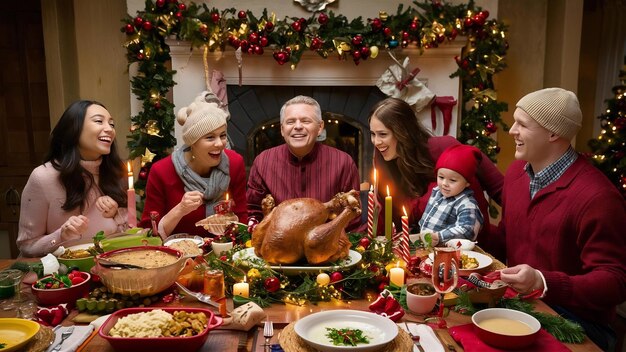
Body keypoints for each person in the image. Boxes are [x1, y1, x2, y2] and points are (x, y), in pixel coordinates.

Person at [495, 88, 626, 351]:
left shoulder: (598, 197)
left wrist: (543, 282)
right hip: (521, 303)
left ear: (554, 133)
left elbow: (615, 281)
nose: (512, 131)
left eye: (522, 124)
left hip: (578, 322)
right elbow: (505, 238)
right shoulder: (516, 173)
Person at [368, 97, 502, 240]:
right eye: (372, 134)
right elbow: (385, 213)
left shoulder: (444, 147)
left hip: (471, 245)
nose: (376, 142)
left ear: (403, 132)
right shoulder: (382, 161)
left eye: (383, 134)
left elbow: (499, 187)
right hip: (421, 247)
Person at [17, 100, 128, 257]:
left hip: (107, 272)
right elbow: (26, 246)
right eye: (98, 121)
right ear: (74, 128)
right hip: (63, 277)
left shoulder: (116, 173)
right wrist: (61, 235)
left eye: (112, 124)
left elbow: (127, 236)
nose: (109, 129)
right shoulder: (43, 177)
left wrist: (116, 215)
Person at [140, 92, 247, 237]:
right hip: (178, 254)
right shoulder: (162, 171)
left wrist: (233, 222)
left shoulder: (234, 163)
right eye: (210, 137)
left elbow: (242, 220)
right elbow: (149, 232)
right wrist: (180, 210)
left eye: (222, 135)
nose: (220, 144)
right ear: (192, 142)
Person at [246, 95, 361, 230]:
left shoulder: (343, 162)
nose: (298, 126)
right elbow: (254, 212)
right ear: (282, 129)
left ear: (320, 127)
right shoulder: (263, 162)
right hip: (277, 245)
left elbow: (353, 216)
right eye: (290, 122)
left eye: (306, 121)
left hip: (328, 245)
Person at [418, 144, 484, 246]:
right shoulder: (437, 192)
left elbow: (468, 231)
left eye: (452, 180)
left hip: (449, 253)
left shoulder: (467, 204)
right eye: (441, 177)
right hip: (427, 247)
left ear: (467, 182)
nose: (444, 183)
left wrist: (439, 236)